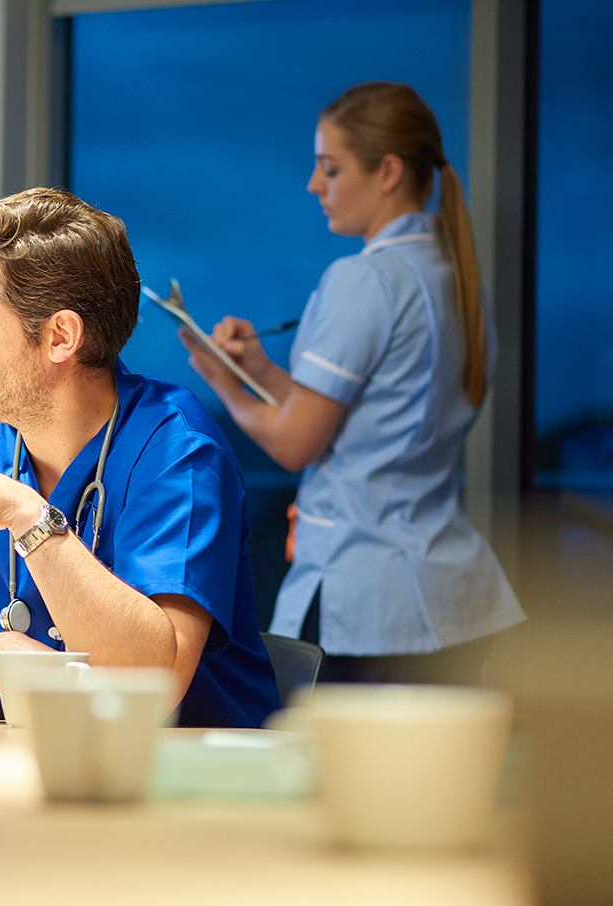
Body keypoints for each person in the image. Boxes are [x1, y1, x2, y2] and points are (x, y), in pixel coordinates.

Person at [0, 188, 280, 729]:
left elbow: (148, 686)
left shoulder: (176, 451)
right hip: (32, 775)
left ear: (60, 336)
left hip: (188, 787)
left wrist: (29, 518)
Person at [179, 82, 524, 684]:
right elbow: (365, 417)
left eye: (330, 168)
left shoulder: (363, 280)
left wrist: (222, 382)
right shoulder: (456, 281)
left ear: (388, 171)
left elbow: (295, 444)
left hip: (367, 600)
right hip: (453, 595)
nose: (315, 185)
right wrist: (258, 371)